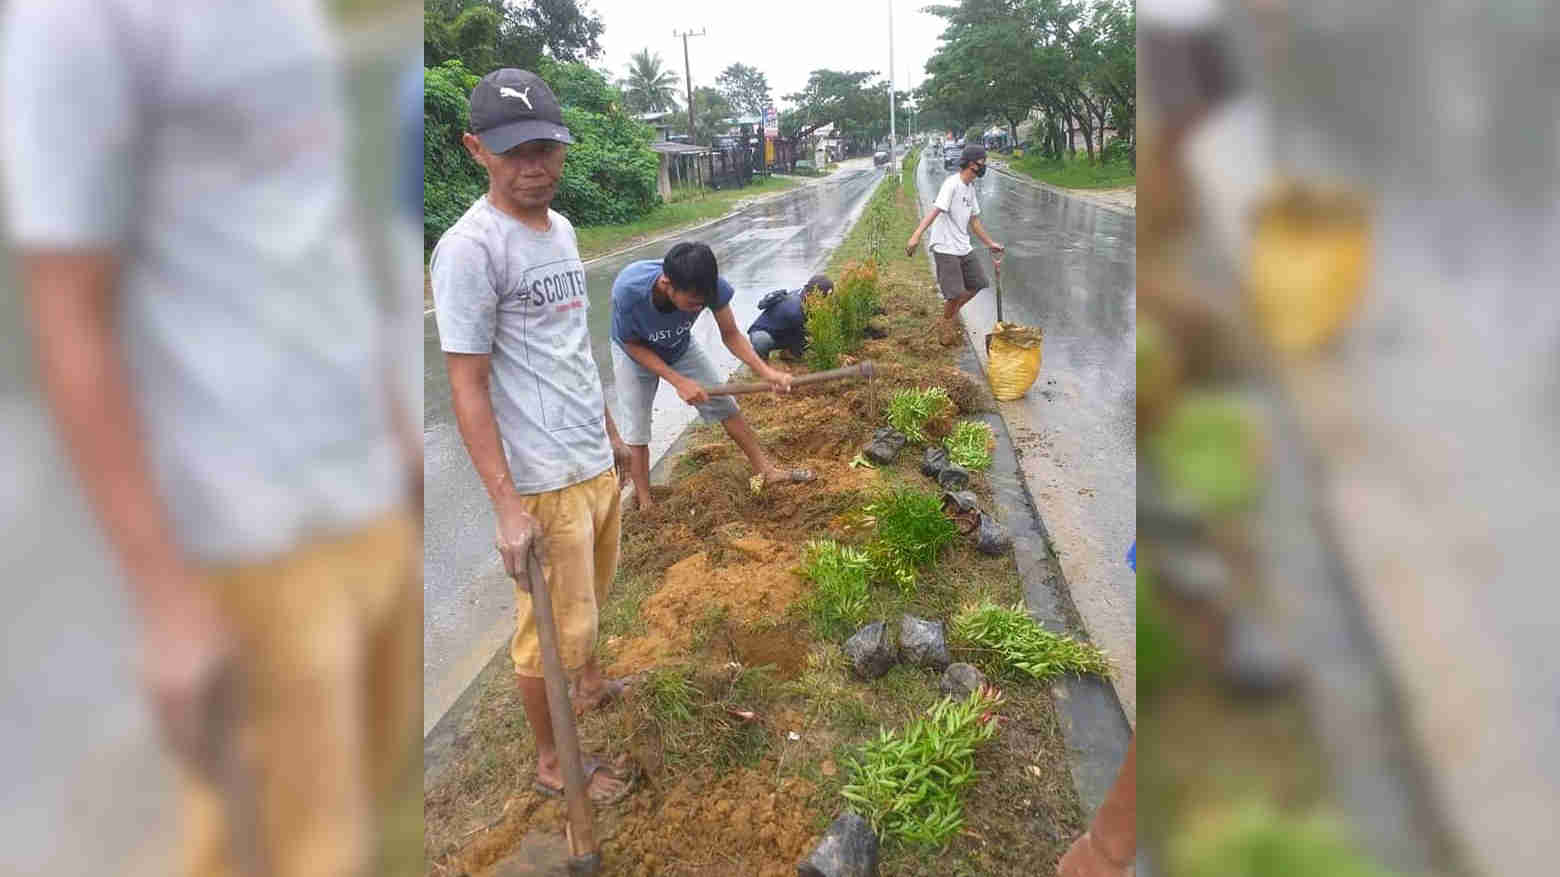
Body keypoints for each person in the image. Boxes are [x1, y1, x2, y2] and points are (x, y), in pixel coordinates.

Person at [3, 1, 421, 873]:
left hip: (365, 499)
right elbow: (68, 310)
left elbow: (323, 224)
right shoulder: (77, 21)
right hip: (244, 531)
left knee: (365, 802)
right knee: (294, 846)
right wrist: (164, 604)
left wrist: (395, 430)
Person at [429, 68, 636, 806]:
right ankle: (553, 762)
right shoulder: (470, 250)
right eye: (514, 151)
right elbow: (467, 385)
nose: (534, 166)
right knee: (543, 630)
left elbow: (572, 347)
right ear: (475, 148)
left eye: (546, 147)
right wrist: (506, 505)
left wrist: (610, 430)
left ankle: (589, 683)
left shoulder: (566, 230)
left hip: (590, 458)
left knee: (588, 602)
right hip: (542, 478)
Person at [610, 242, 816, 510]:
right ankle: (646, 502)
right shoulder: (629, 290)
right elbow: (632, 345)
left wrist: (766, 372)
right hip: (634, 351)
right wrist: (678, 380)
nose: (698, 309)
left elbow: (730, 334)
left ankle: (766, 470)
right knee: (636, 430)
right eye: (693, 303)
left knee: (725, 405)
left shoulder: (711, 285)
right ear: (666, 283)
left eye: (703, 304)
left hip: (679, 345)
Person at [905, 143, 1006, 346]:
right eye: (981, 162)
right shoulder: (952, 184)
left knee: (979, 283)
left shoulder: (970, 188)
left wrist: (990, 243)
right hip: (944, 246)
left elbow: (974, 220)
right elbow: (935, 211)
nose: (983, 166)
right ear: (970, 163)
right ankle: (945, 325)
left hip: (962, 245)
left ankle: (949, 316)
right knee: (954, 294)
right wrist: (916, 235)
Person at [747, 274, 834, 361]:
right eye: (824, 298)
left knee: (810, 337)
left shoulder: (803, 293)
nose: (824, 301)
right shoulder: (795, 309)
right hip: (764, 332)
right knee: (762, 341)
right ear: (814, 294)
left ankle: (788, 353)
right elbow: (805, 334)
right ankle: (761, 361)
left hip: (784, 330)